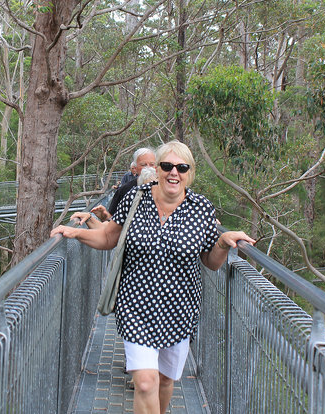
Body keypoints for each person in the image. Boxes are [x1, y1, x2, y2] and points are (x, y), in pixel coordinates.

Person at [51, 140, 254, 414]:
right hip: (135, 305)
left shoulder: (202, 209)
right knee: (146, 383)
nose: (174, 173)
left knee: (165, 380)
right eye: (167, 166)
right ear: (157, 169)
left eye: (181, 167)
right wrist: (76, 232)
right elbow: (110, 236)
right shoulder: (136, 198)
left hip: (179, 312)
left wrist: (221, 243)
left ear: (189, 172)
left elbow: (210, 262)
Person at [91, 147, 156, 222]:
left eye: (151, 164)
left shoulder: (166, 188)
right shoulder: (124, 191)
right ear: (135, 168)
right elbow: (112, 221)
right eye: (143, 165)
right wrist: (104, 216)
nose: (148, 168)